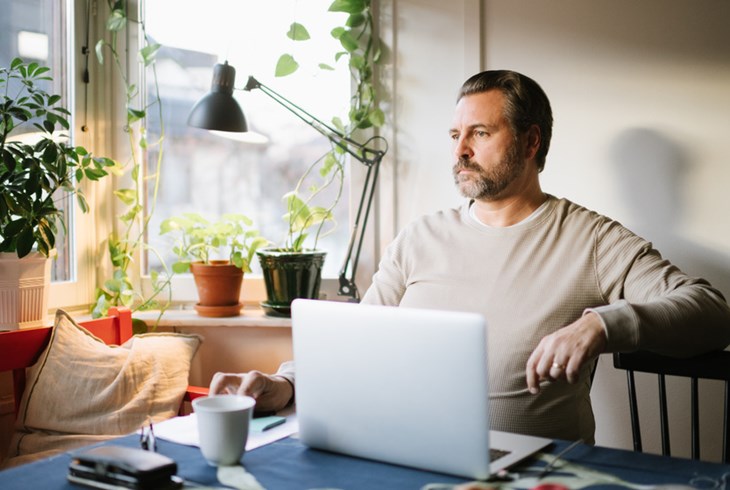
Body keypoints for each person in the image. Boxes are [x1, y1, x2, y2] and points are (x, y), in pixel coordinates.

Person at [210, 70, 730, 443]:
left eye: (479, 134)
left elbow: (710, 310)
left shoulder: (591, 239)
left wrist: (602, 324)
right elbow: (355, 342)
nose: (460, 150)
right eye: (456, 135)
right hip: (409, 459)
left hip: (531, 473)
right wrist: (284, 385)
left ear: (531, 142)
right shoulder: (419, 239)